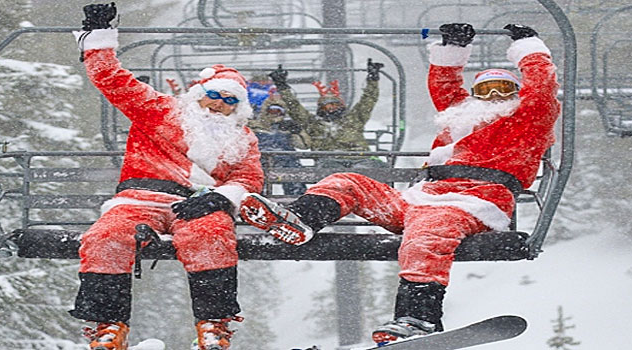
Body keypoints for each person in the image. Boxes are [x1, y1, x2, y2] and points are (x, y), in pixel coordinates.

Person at [237, 23, 560, 344]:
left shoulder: (529, 119)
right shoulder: (463, 117)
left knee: (430, 230)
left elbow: (542, 89)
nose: (493, 97)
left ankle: (419, 317)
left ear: (517, 94)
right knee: (348, 182)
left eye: (503, 90)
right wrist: (453, 48)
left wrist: (529, 49)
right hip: (421, 197)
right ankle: (300, 220)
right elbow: (445, 87)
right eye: (485, 91)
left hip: (477, 201)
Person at [72, 3, 264, 350]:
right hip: (140, 198)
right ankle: (108, 325)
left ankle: (213, 324)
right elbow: (112, 80)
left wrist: (221, 198)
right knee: (106, 237)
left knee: (210, 236)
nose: (218, 104)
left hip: (197, 204)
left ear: (239, 107)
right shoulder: (160, 110)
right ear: (198, 94)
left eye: (229, 100)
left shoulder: (242, 139)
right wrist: (98, 36)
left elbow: (248, 178)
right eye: (213, 95)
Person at [269, 59, 386, 168]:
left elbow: (368, 100)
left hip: (359, 157)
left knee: (370, 168)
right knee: (332, 170)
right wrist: (282, 86)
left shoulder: (354, 118)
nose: (330, 109)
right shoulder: (313, 123)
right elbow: (294, 106)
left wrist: (373, 80)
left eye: (334, 105)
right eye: (326, 106)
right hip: (328, 159)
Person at [248, 93, 309, 195]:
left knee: (293, 171)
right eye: (272, 110)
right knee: (256, 174)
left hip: (286, 161)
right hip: (261, 160)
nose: (275, 114)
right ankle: (257, 196)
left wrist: (297, 132)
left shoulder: (286, 127)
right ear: (266, 111)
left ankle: (295, 195)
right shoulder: (255, 126)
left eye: (278, 111)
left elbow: (304, 145)